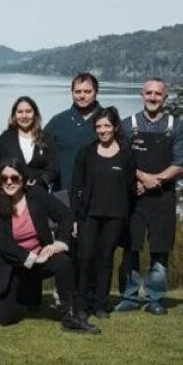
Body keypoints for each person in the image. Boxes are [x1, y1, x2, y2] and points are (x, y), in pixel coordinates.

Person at [0, 158, 99, 334]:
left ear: (23, 179)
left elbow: (66, 215)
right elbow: (4, 244)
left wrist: (59, 243)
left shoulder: (37, 194)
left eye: (14, 178)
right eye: (4, 178)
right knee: (3, 318)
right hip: (11, 264)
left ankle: (69, 315)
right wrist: (33, 258)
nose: (9, 182)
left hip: (40, 256)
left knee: (62, 262)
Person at [115, 79, 183, 315]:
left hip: (163, 198)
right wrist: (141, 178)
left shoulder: (176, 127)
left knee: (160, 250)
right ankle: (128, 297)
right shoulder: (127, 125)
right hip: (133, 198)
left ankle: (155, 298)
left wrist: (154, 180)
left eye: (158, 94)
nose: (153, 98)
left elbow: (180, 163)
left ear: (165, 98)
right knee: (130, 248)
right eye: (149, 93)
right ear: (142, 95)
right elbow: (121, 159)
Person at [70, 107, 135, 318]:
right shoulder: (86, 153)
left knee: (106, 259)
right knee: (85, 258)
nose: (102, 130)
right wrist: (75, 218)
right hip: (89, 215)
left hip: (115, 217)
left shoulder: (126, 154)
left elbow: (130, 187)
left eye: (107, 125)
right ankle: (81, 305)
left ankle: (100, 304)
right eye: (98, 126)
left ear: (115, 127)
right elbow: (76, 187)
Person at [44, 72, 103, 194]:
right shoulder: (58, 121)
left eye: (87, 92)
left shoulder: (108, 121)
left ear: (96, 92)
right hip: (63, 193)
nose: (82, 96)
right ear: (72, 93)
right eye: (77, 92)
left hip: (100, 194)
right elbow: (39, 151)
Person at [0, 96, 59, 191]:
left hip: (39, 192)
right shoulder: (5, 138)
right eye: (20, 112)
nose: (24, 116)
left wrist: (40, 180)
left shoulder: (46, 138)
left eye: (28, 111)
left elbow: (53, 168)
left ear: (35, 114)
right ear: (14, 115)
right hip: (12, 192)